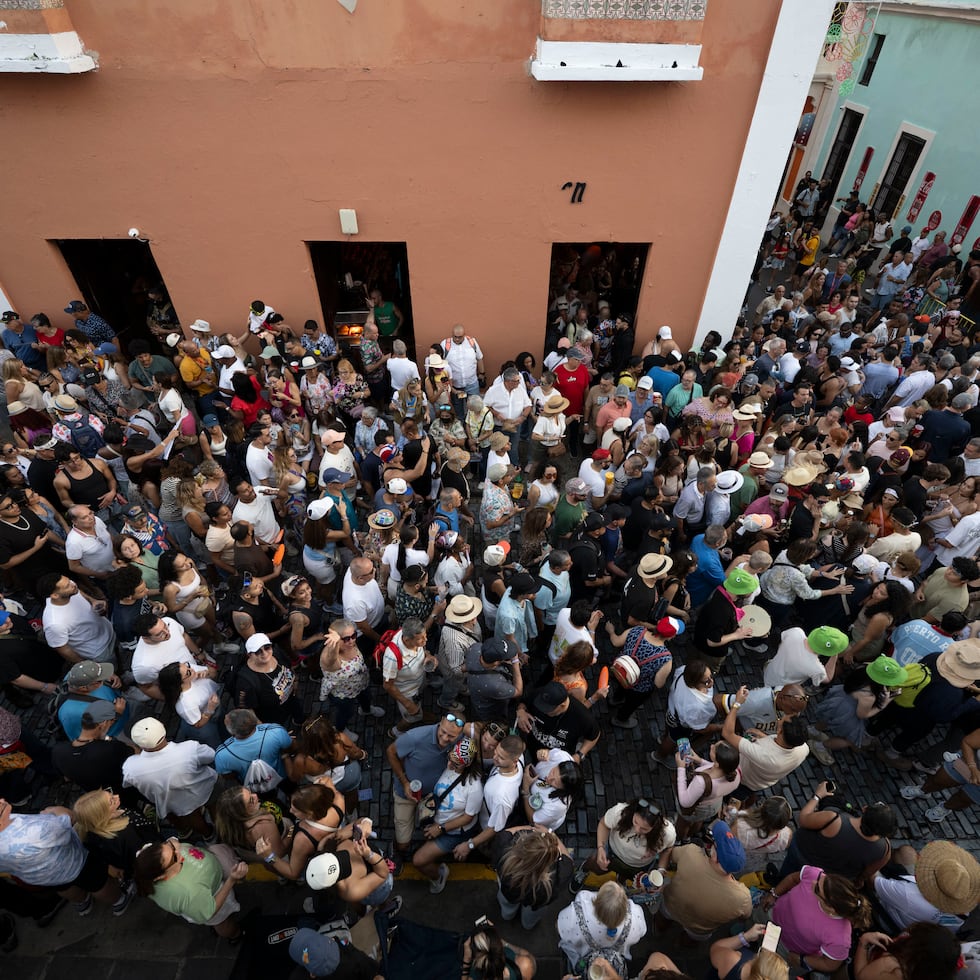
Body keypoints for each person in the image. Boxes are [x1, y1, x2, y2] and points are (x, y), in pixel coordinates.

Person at [0, 799, 132, 918]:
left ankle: (83, 902)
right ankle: (119, 900)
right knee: (99, 883)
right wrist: (55, 811)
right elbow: (69, 819)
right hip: (74, 862)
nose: (2, 800)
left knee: (65, 888)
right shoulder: (33, 832)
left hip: (44, 876)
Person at [779, 780, 895, 885]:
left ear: (865, 809)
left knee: (786, 876)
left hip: (801, 857)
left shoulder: (834, 819)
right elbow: (865, 875)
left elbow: (804, 819)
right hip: (828, 880)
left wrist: (817, 796)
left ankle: (779, 883)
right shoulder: (884, 849)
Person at [763, 867, 872, 978]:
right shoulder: (815, 875)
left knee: (763, 971)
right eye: (823, 879)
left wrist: (802, 959)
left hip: (785, 949)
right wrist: (774, 894)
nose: (814, 882)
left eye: (817, 889)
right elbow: (793, 879)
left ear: (831, 909)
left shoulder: (840, 938)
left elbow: (830, 964)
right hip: (771, 917)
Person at [385, 713, 464, 866]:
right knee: (403, 843)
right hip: (405, 795)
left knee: (426, 825)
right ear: (440, 723)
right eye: (443, 732)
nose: (444, 739)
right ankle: (396, 851)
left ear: (460, 734)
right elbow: (391, 751)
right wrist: (404, 782)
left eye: (451, 736)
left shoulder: (461, 741)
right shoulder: (415, 737)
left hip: (431, 797)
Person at [132, 838, 247, 941]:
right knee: (222, 922)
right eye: (174, 857)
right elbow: (211, 911)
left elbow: (172, 842)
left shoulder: (148, 858)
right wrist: (231, 880)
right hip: (212, 899)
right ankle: (235, 935)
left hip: (206, 892)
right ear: (160, 876)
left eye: (170, 847)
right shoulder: (187, 893)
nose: (179, 850)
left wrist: (172, 844)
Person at [122, 718, 218, 838]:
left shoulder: (130, 767)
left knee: (194, 819)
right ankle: (223, 829)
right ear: (163, 730)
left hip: (178, 802)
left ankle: (209, 836)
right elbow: (212, 756)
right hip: (205, 788)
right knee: (216, 809)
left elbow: (126, 783)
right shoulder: (189, 749)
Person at [411, 736, 484, 893]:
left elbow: (468, 817)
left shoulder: (474, 787)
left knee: (418, 860)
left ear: (468, 764)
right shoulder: (451, 765)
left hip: (453, 832)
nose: (449, 765)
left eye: (455, 763)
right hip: (437, 822)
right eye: (450, 758)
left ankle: (439, 876)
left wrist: (440, 828)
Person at [491, 824, 574, 933]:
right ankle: (527, 925)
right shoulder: (557, 876)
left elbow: (507, 832)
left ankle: (507, 916)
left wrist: (531, 828)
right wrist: (550, 833)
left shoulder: (504, 851)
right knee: (530, 919)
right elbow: (568, 860)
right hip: (537, 903)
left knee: (507, 908)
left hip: (508, 892)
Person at [558, 880, 647, 974]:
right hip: (616, 961)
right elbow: (642, 932)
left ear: (596, 903)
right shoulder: (636, 916)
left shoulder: (575, 915)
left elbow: (560, 927)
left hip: (583, 958)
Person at [234, 632, 303, 729]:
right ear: (249, 655)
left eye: (267, 647)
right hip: (272, 715)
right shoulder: (246, 681)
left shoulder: (277, 653)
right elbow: (247, 708)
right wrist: (264, 729)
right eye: (258, 651)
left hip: (291, 698)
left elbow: (289, 666)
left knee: (299, 713)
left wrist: (295, 682)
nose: (265, 653)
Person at [213, 708, 292, 787]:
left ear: (231, 731)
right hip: (280, 776)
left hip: (253, 786)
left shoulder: (222, 754)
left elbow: (228, 776)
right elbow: (291, 747)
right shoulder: (275, 732)